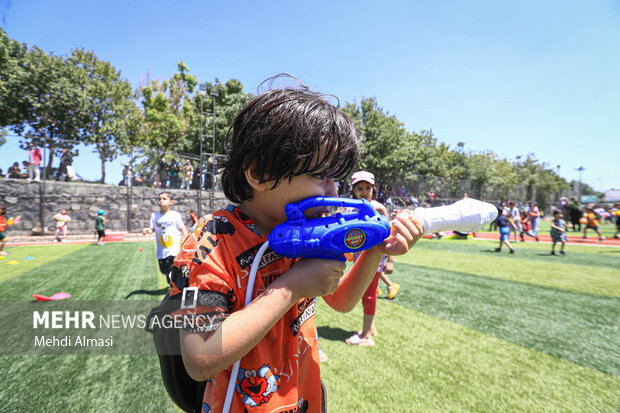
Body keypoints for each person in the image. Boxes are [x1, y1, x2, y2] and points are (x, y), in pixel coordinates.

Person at [167, 83, 422, 412]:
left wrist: (375, 249)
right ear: (258, 173)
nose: (334, 190)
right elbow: (200, 357)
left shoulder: (309, 232)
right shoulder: (210, 241)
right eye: (321, 176)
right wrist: (291, 287)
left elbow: (342, 300)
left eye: (337, 178)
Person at [345, 170, 401, 347]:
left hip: (374, 259)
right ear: (353, 190)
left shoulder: (378, 208)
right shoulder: (349, 208)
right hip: (358, 259)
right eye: (359, 188)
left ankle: (367, 336)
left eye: (367, 188)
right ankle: (371, 328)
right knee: (363, 294)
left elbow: (390, 236)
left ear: (373, 189)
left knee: (369, 295)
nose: (364, 192)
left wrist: (390, 260)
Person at [142, 192, 187, 283]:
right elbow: (152, 229)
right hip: (161, 249)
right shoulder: (154, 216)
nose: (161, 201)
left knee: (171, 271)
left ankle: (175, 288)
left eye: (164, 199)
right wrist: (147, 230)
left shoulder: (175, 215)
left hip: (173, 249)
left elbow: (182, 228)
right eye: (159, 199)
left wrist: (186, 239)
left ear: (171, 202)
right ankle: (172, 282)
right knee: (163, 271)